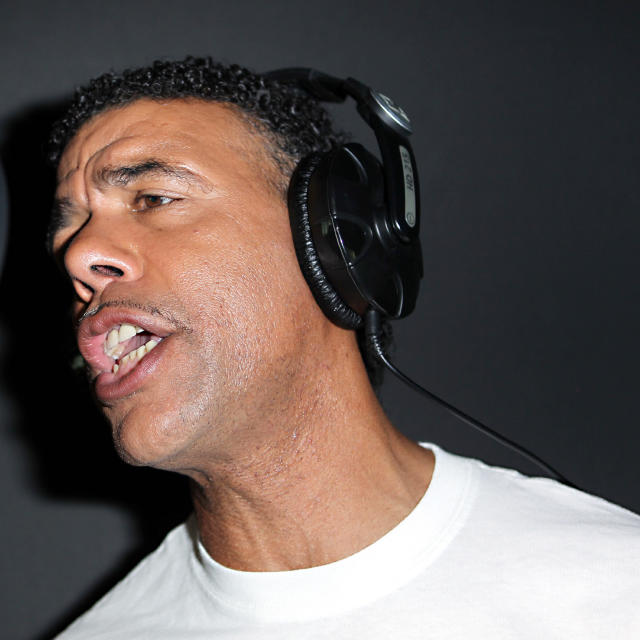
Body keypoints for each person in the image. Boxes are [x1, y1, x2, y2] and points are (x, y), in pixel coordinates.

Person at [45, 57, 640, 639]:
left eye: (153, 198)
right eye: (67, 232)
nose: (77, 255)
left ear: (335, 239)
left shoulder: (615, 590)